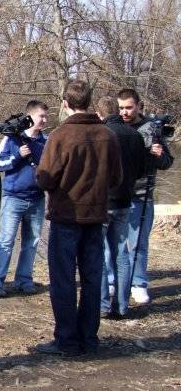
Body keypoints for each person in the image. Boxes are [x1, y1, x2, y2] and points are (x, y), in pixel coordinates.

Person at [34, 80, 121, 356]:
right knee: (93, 277)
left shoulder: (61, 135)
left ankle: (67, 340)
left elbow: (45, 179)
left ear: (65, 103)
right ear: (90, 102)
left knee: (63, 278)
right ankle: (89, 338)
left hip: (65, 216)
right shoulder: (108, 135)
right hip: (95, 216)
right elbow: (117, 178)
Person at [0, 100, 49, 297]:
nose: (45, 120)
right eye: (41, 116)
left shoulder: (45, 141)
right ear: (30, 117)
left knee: (32, 241)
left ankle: (24, 280)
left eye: (46, 117)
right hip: (13, 198)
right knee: (6, 240)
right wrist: (18, 156)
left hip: (37, 198)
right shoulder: (12, 139)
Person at [117, 88, 174, 305]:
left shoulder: (152, 129)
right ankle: (115, 281)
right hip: (118, 194)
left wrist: (160, 155)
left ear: (139, 106)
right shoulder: (115, 126)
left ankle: (138, 283)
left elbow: (167, 163)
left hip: (142, 195)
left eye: (129, 107)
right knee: (116, 243)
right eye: (121, 107)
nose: (125, 112)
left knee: (139, 243)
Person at [93, 96, 148, 319]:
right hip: (126, 200)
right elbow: (142, 170)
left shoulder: (100, 135)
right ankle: (123, 305)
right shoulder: (135, 136)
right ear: (118, 111)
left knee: (98, 252)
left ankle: (104, 304)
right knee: (121, 253)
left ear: (99, 114)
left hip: (103, 202)